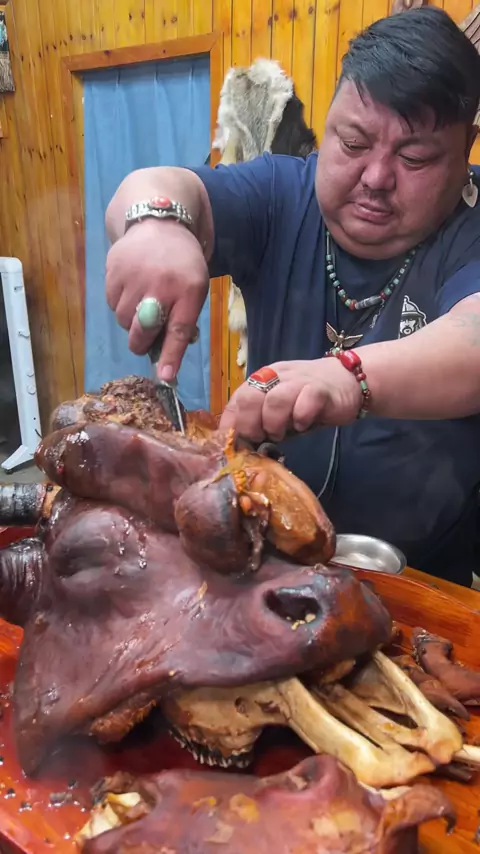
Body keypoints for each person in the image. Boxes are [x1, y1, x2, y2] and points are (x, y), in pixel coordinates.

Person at [104, 7, 480, 586]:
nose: (376, 177)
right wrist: (156, 223)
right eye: (353, 142)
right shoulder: (281, 192)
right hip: (264, 561)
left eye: (414, 158)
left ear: (467, 149)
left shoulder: (470, 226)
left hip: (426, 580)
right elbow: (156, 185)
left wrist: (346, 378)